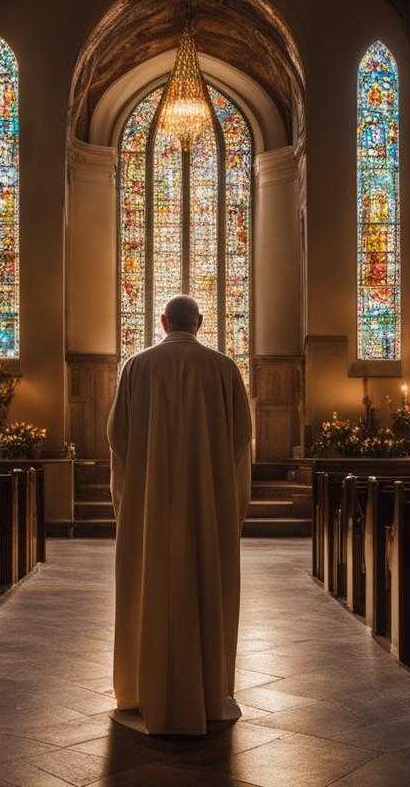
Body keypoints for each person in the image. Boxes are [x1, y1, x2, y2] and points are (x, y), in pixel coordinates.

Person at [107, 294, 253, 736]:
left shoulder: (137, 366)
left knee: (148, 584)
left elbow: (118, 439)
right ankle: (207, 693)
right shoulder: (225, 369)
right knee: (206, 583)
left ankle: (139, 690)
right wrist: (225, 501)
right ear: (201, 322)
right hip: (207, 505)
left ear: (164, 320)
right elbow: (240, 442)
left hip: (150, 505)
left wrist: (133, 491)